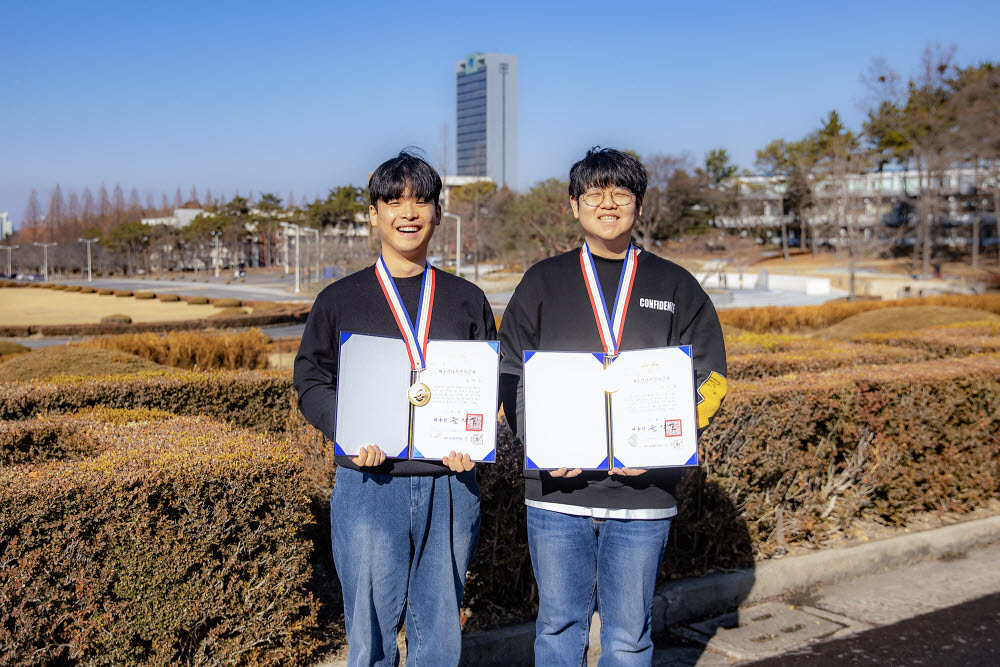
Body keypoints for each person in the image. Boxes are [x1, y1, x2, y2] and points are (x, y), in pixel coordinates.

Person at [499, 147, 728, 666]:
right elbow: (507, 369)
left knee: (629, 636)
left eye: (621, 192)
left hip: (644, 493)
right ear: (574, 205)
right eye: (595, 193)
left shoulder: (676, 285)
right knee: (558, 627)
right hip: (558, 491)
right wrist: (538, 443)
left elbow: (712, 376)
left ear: (639, 206)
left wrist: (673, 441)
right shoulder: (542, 281)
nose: (608, 203)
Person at [294, 150, 497, 666]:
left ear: (437, 214)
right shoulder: (339, 299)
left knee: (439, 635)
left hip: (450, 483)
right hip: (369, 482)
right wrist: (347, 429)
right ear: (373, 213)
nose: (408, 212)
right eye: (394, 201)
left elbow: (487, 383)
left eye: (421, 200)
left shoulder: (467, 299)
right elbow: (310, 377)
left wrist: (474, 442)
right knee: (370, 634)